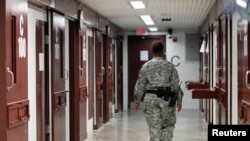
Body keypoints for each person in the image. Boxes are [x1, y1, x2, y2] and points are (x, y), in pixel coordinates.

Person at [134, 40, 183, 141]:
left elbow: (140, 84)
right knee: (168, 126)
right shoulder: (170, 66)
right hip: (167, 99)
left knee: (154, 127)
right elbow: (175, 85)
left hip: (151, 99)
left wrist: (137, 100)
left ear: (152, 51)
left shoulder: (146, 66)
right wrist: (179, 100)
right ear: (162, 50)